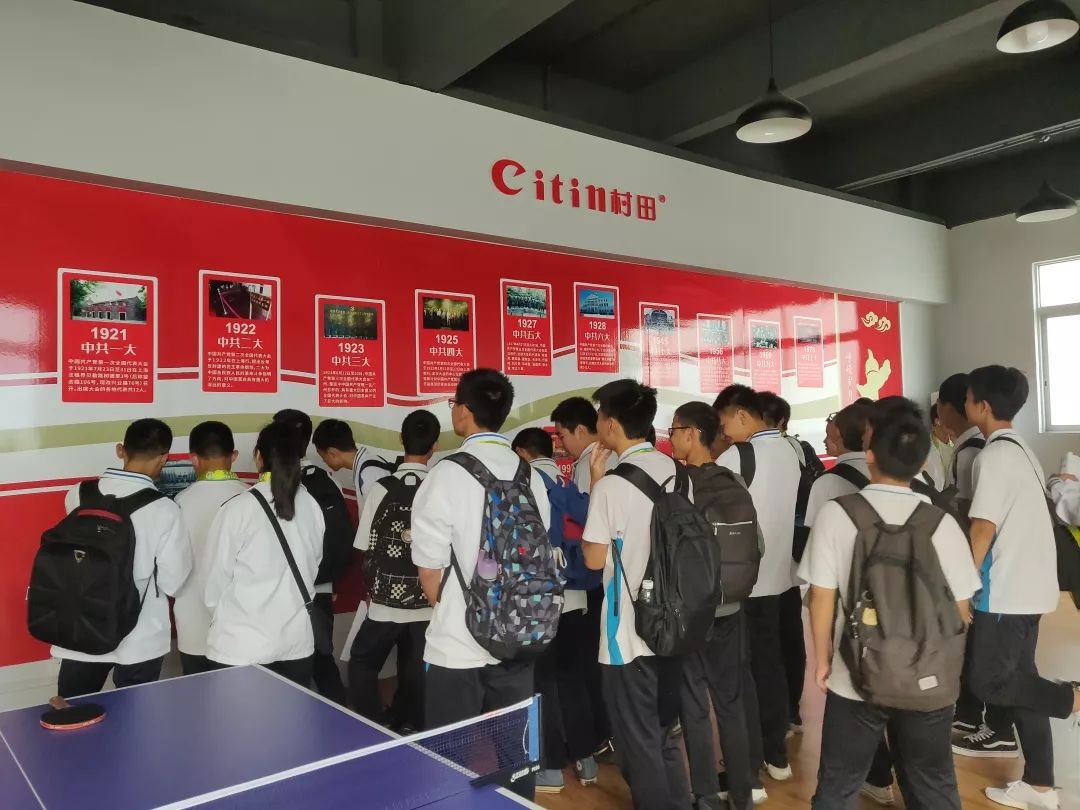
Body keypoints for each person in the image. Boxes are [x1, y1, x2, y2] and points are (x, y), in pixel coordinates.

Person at [800, 401, 980, 809]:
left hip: (855, 675)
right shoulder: (941, 522)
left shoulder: (837, 514)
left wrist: (823, 660)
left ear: (869, 455)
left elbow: (820, 596)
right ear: (923, 463)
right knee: (932, 783)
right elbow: (962, 609)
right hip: (928, 680)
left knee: (839, 784)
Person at [411, 369, 552, 801]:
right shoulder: (531, 476)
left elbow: (430, 572)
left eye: (454, 403)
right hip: (520, 634)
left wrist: (462, 608)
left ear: (465, 412)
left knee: (447, 759)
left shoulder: (445, 474)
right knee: (516, 756)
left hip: (458, 641)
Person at [964, 366, 1080, 810]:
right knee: (1020, 682)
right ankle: (1040, 785)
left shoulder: (993, 456)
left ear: (982, 405)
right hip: (1030, 588)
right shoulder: (1021, 448)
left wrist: (961, 588)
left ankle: (1072, 698)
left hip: (1006, 591)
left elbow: (982, 529)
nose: (966, 403)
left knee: (988, 682)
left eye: (969, 397)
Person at [581, 379, 690, 810]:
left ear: (610, 424)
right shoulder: (678, 473)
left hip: (627, 633)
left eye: (599, 418)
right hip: (674, 623)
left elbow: (593, 559)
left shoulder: (611, 485)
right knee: (664, 731)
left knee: (638, 740)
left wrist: (596, 484)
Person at [53, 419, 192, 698]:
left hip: (81, 627)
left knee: (73, 713)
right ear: (164, 458)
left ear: (120, 450)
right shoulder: (164, 509)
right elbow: (173, 582)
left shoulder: (78, 494)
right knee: (135, 718)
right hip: (140, 637)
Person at [670, 401, 763, 810]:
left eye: (674, 430)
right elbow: (758, 544)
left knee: (693, 703)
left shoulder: (679, 485)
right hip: (733, 606)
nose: (671, 438)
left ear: (692, 435)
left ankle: (706, 795)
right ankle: (742, 793)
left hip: (694, 612)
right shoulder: (735, 480)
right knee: (730, 702)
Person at [713, 385, 800, 781]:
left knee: (742, 675)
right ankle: (776, 752)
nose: (723, 433)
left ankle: (746, 763)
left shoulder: (737, 456)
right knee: (771, 665)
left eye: (724, 424)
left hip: (744, 582)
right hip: (780, 578)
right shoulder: (790, 450)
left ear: (742, 416)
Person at [512, 427, 600, 793]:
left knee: (541, 683)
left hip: (540, 602)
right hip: (577, 596)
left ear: (522, 453)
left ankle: (549, 769)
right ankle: (586, 760)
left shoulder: (524, 484)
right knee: (573, 679)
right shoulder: (568, 484)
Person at [204, 422, 325, 686]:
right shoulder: (312, 506)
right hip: (295, 644)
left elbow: (214, 582)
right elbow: (313, 566)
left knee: (237, 716)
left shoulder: (237, 509)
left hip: (241, 647)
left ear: (258, 457)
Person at [937, 372, 1017, 755]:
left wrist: (964, 579)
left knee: (987, 659)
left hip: (986, 571)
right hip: (988, 570)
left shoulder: (977, 453)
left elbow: (977, 521)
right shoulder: (981, 448)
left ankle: (992, 722)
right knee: (984, 654)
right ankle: (971, 715)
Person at [348, 410, 438, 733]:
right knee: (417, 669)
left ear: (401, 439)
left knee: (362, 662)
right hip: (429, 602)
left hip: (385, 604)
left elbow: (364, 545)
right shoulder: (440, 488)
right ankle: (414, 724)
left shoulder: (381, 488)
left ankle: (373, 724)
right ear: (434, 446)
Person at [550, 396, 615, 758]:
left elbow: (589, 524)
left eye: (562, 435)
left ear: (579, 430)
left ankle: (601, 734)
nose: (560, 445)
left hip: (592, 576)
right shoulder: (609, 457)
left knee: (586, 662)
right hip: (610, 573)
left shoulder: (592, 464)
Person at [274, 409, 351, 704]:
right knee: (321, 658)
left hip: (284, 589)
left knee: (287, 662)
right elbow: (337, 538)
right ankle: (340, 719)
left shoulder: (274, 485)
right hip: (320, 588)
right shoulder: (327, 481)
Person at [759, 390, 821, 734]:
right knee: (788, 633)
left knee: (773, 638)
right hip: (789, 557)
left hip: (772, 558)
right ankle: (790, 711)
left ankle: (782, 713)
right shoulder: (799, 450)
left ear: (779, 421)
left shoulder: (762, 452)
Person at [173, 421, 247, 675]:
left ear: (193, 458)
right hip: (240, 626)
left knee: (196, 693)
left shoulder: (180, 502)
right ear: (234, 455)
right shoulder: (251, 498)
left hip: (192, 624)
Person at [312, 418, 397, 506]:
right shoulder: (368, 464)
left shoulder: (367, 474)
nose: (324, 461)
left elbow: (378, 513)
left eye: (322, 456)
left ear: (332, 453)